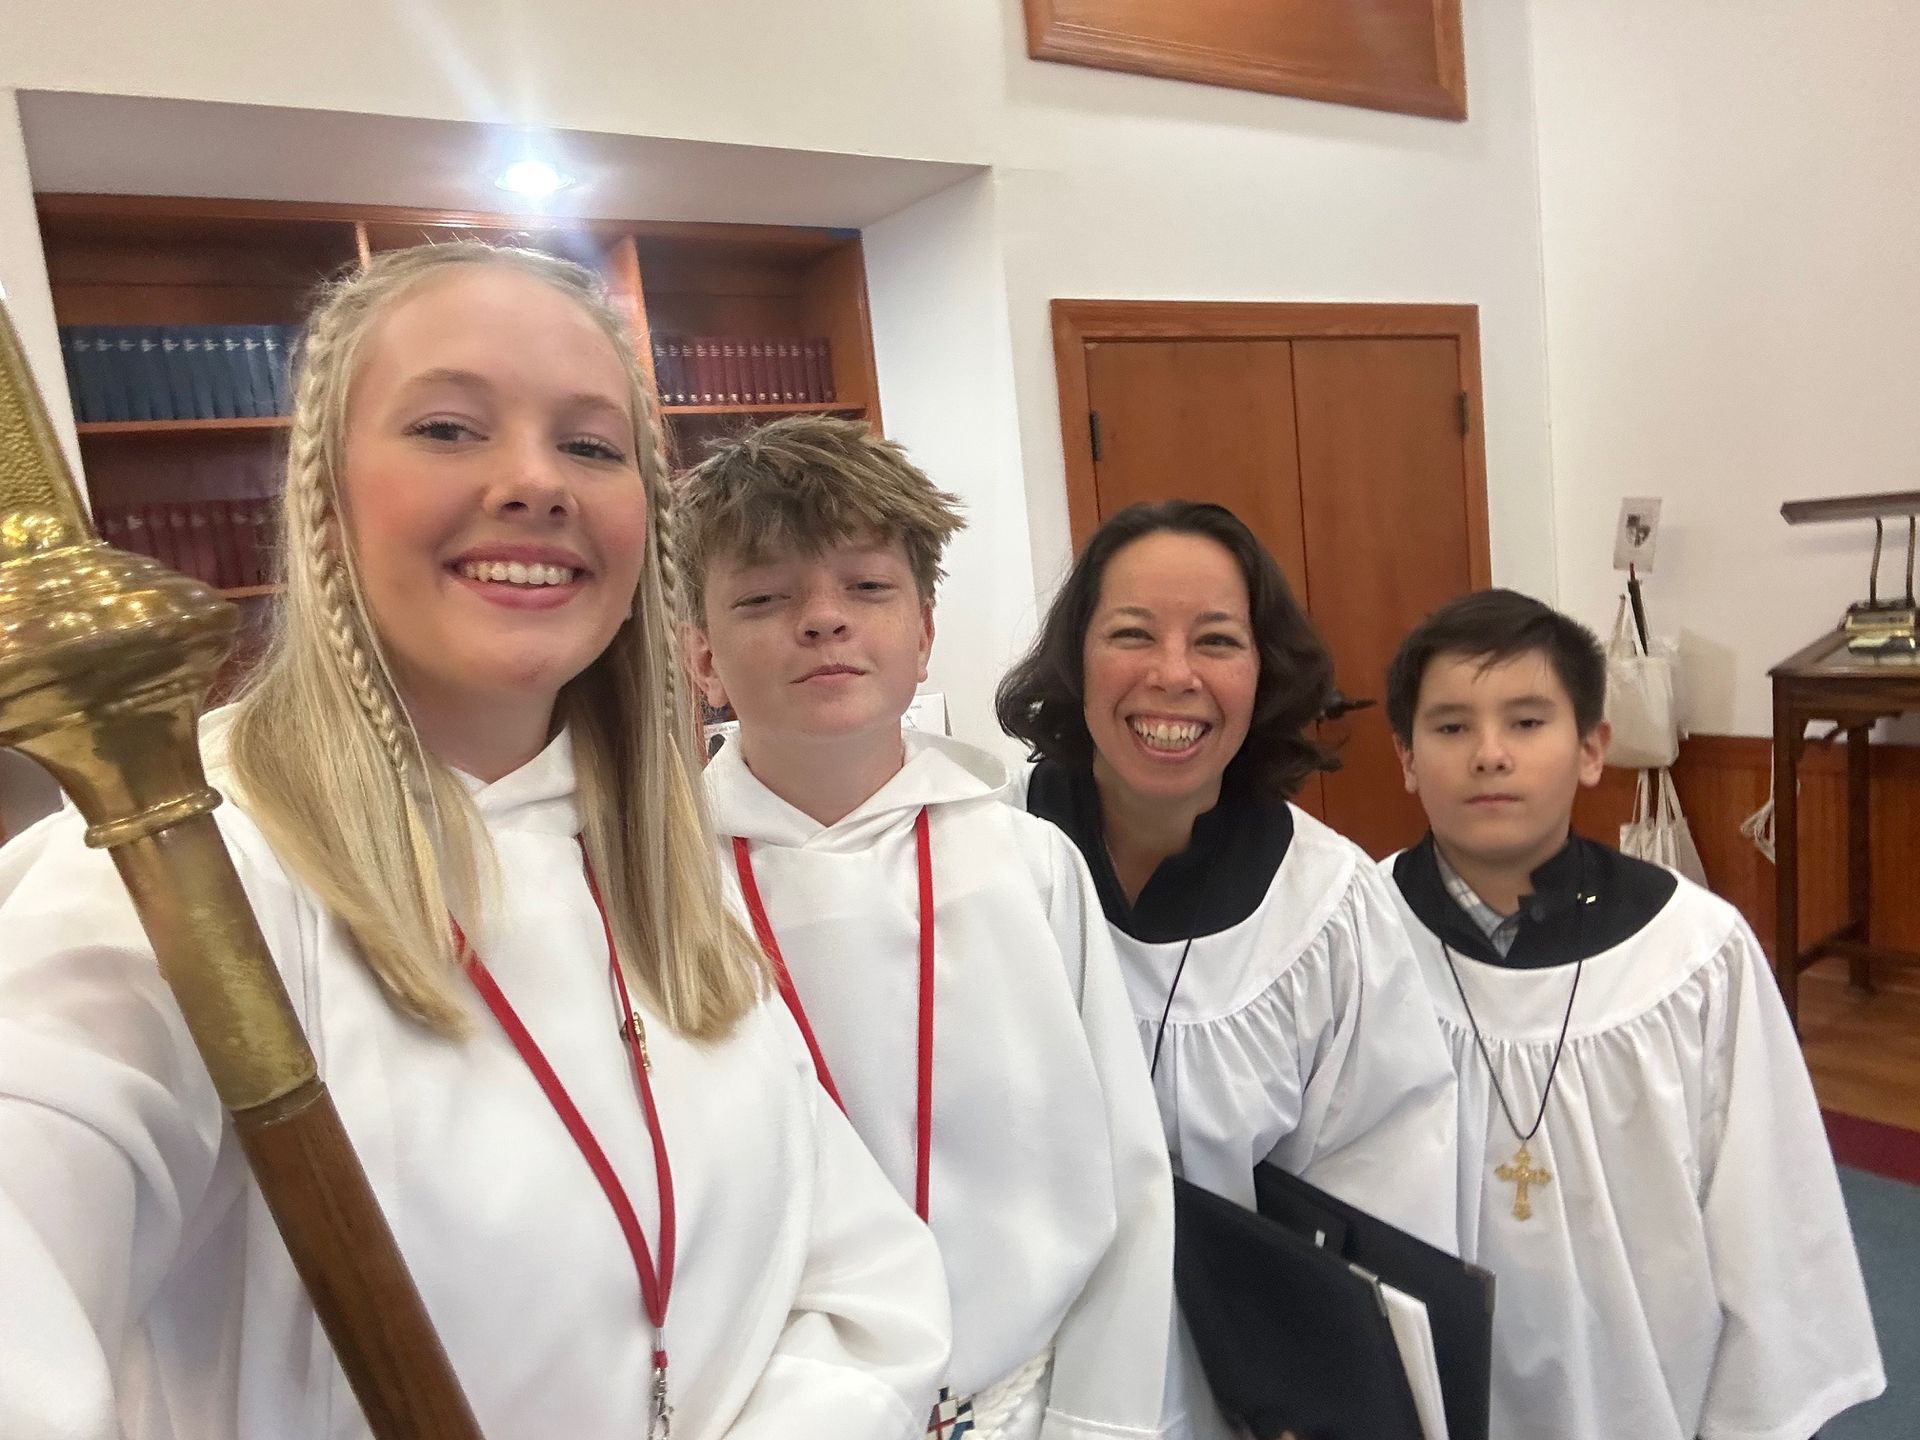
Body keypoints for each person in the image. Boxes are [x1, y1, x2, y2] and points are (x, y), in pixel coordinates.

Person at [0, 243, 951, 1440]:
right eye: (448, 428)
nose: (535, 482)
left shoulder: (660, 873)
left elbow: (859, 1287)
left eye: (591, 445)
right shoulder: (174, 881)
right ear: (327, 505)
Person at [678, 416, 1175, 1440]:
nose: (824, 621)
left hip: (1022, 1406)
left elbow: (1127, 1174)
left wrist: (1099, 1419)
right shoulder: (659, 889)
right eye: (765, 598)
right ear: (702, 657)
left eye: (867, 587)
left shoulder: (1024, 867)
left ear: (925, 632)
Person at [996, 499, 1459, 1439]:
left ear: (1263, 671)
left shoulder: (1326, 911)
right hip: (1005, 1383)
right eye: (1132, 633)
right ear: (1075, 658)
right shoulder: (977, 863)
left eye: (1216, 640)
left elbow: (1383, 1193)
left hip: (1230, 1392)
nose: (1174, 675)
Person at [1381, 587, 1885, 1440]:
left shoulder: (1692, 953)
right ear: (1405, 756)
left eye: (1527, 722)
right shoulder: (1355, 936)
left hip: (1643, 1390)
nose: (1490, 755)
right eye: (1452, 726)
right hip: (1418, 1392)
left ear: (1591, 749)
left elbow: (1766, 1203)